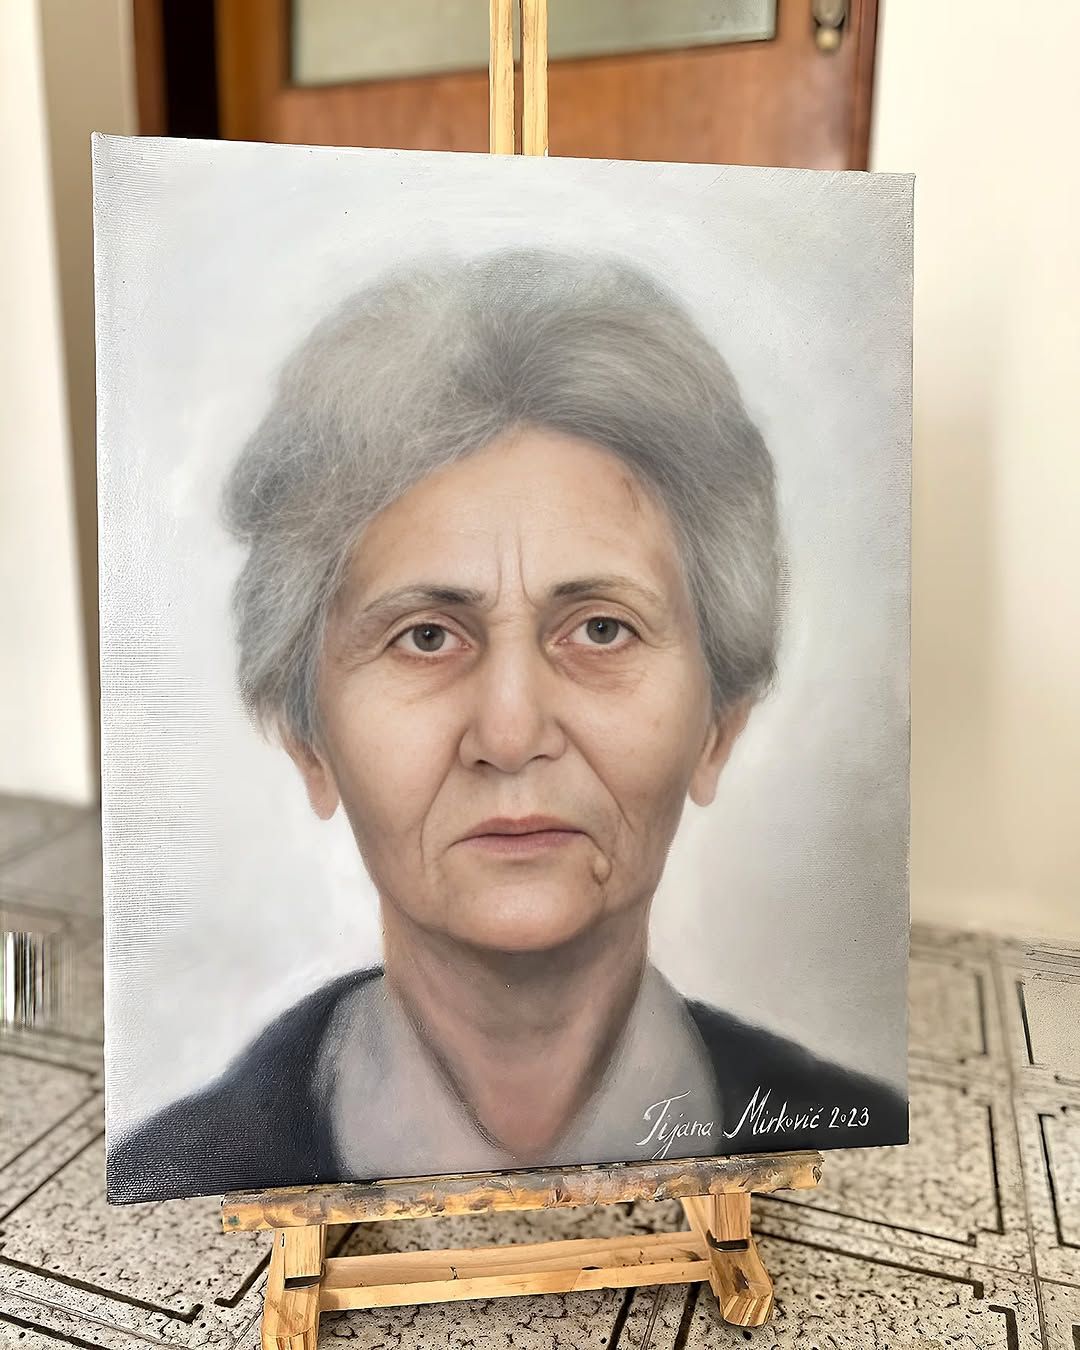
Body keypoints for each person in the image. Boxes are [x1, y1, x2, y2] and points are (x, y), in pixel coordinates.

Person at [108, 249, 906, 1203]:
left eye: (602, 629)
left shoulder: (848, 1136)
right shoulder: (179, 1178)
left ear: (720, 721)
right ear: (307, 738)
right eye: (426, 635)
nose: (512, 732)